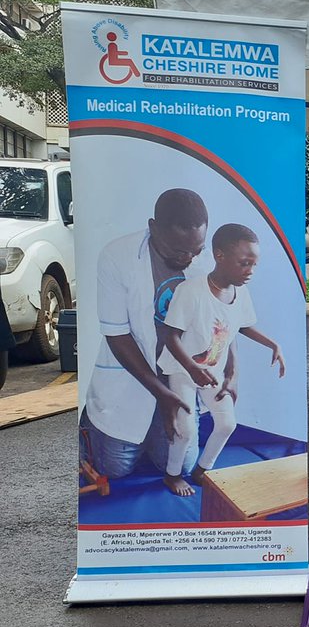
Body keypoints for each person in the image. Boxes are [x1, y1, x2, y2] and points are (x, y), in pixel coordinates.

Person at [80, 189, 209, 479]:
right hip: (129, 380)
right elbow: (117, 334)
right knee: (115, 470)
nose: (188, 258)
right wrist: (160, 393)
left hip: (177, 379)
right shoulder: (117, 256)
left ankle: (155, 430)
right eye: (178, 250)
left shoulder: (204, 261)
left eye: (195, 250)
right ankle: (92, 424)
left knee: (182, 466)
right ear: (153, 228)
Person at [157, 224, 285, 496]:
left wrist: (271, 343)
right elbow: (170, 335)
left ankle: (203, 470)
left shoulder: (241, 293)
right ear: (219, 256)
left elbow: (242, 326)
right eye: (244, 263)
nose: (250, 270)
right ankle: (173, 475)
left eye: (254, 264)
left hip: (212, 370)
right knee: (187, 430)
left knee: (228, 423)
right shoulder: (191, 291)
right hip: (183, 369)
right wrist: (192, 369)